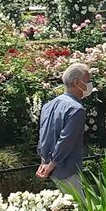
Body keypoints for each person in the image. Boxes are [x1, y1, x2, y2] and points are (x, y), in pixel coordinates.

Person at [37, 63, 92, 194]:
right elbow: (67, 140)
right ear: (77, 82)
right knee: (79, 208)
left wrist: (45, 162)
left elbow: (43, 135)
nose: (90, 84)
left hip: (51, 168)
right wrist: (52, 163)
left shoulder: (49, 105)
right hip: (67, 168)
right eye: (88, 80)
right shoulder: (76, 109)